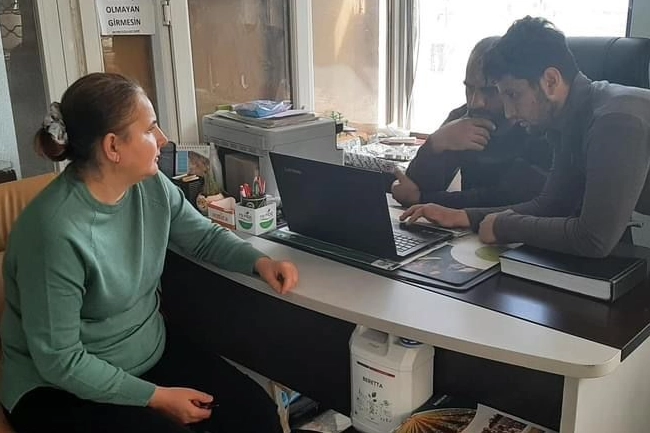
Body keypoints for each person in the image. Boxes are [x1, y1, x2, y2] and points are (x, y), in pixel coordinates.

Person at [0, 72, 299, 433]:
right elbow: (60, 360)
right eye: (149, 129)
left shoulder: (151, 186)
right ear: (113, 147)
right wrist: (155, 398)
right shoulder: (53, 233)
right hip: (58, 388)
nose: (162, 138)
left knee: (256, 416)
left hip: (145, 352)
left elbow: (202, 237)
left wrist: (259, 262)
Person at [401, 16, 650, 258]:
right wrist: (466, 217)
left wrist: (503, 226)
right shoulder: (570, 119)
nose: (509, 112)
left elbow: (593, 239)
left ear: (550, 81)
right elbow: (552, 205)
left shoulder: (616, 120)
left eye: (513, 95)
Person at [391, 36, 551, 208]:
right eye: (469, 89)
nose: (476, 102)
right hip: (464, 223)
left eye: (489, 91)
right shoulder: (464, 118)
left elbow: (507, 198)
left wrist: (422, 199)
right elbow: (410, 188)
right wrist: (434, 145)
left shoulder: (536, 124)